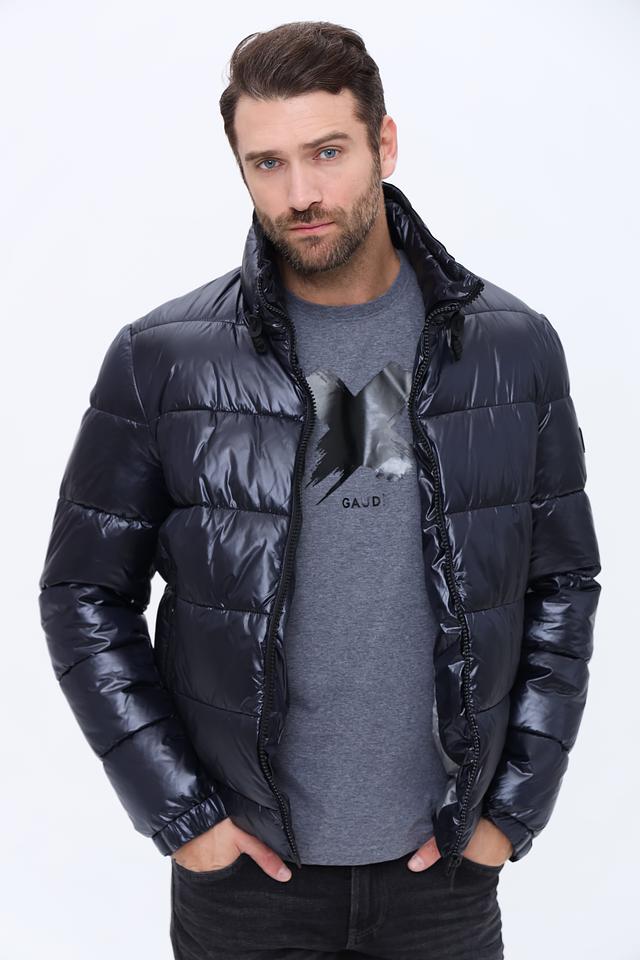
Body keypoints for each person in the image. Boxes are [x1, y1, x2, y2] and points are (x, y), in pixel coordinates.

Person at [38, 19, 602, 960]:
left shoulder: (511, 349)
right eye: (267, 163)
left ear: (385, 143)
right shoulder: (164, 360)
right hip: (246, 886)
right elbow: (82, 593)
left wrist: (511, 813)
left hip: (445, 879)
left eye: (328, 152)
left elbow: (562, 586)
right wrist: (184, 817)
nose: (300, 193)